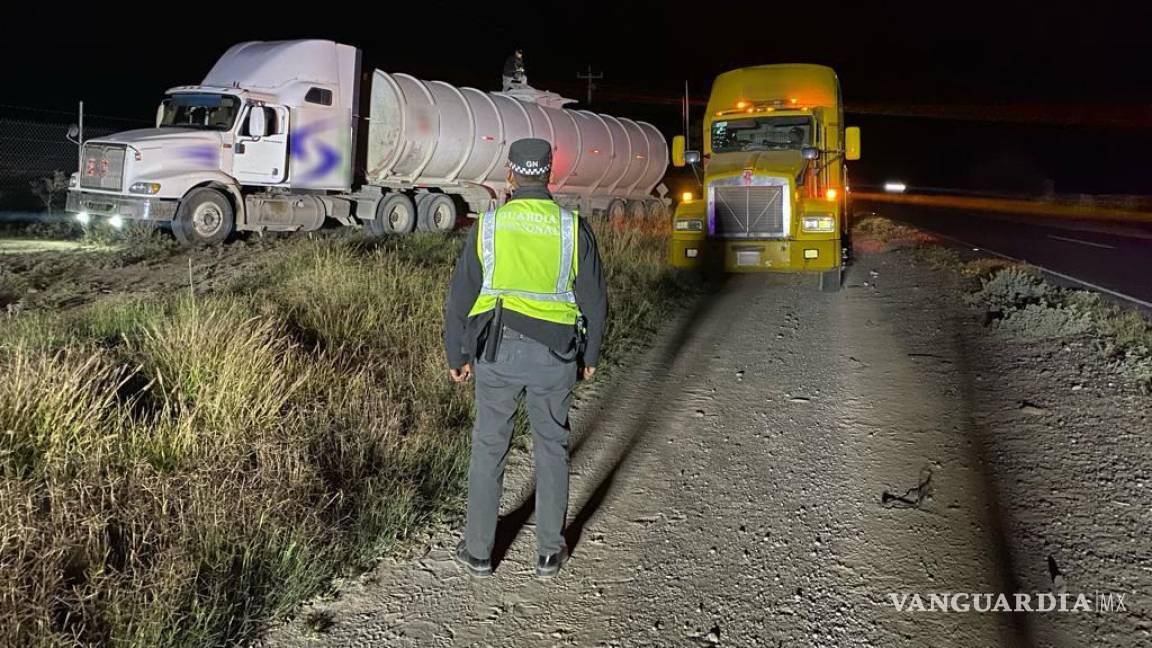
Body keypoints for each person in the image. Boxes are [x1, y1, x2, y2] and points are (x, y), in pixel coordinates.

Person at [443, 138, 607, 579]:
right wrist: (589, 355)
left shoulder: (490, 225)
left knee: (489, 446)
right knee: (551, 447)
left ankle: (479, 553)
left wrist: (457, 351)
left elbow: (460, 296)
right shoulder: (573, 227)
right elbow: (594, 300)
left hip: (496, 351)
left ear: (510, 174)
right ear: (549, 174)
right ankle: (549, 554)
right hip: (556, 355)